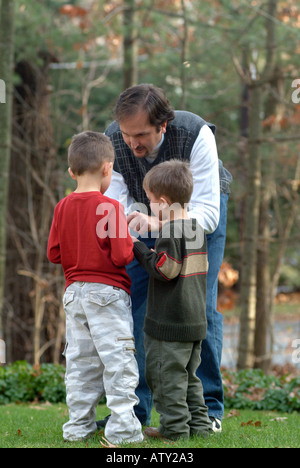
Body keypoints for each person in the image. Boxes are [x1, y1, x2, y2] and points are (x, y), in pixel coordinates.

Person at [101, 84, 232, 431]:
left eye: (140, 134)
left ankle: (209, 411)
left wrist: (158, 222)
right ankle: (135, 411)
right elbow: (116, 205)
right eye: (127, 135)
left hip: (199, 218)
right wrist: (136, 228)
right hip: (142, 214)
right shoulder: (113, 139)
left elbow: (206, 213)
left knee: (198, 305)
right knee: (137, 305)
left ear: (163, 125)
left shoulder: (195, 133)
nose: (132, 143)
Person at [47, 131, 143, 445]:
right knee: (119, 361)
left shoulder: (62, 207)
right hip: (108, 294)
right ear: (107, 169)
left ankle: (78, 428)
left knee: (80, 362)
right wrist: (128, 240)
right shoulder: (112, 208)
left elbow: (54, 253)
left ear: (71, 172)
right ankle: (123, 430)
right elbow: (121, 255)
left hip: (74, 294)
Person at [132, 159, 213, 440]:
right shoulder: (196, 229)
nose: (150, 207)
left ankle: (174, 430)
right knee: (190, 378)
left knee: (166, 379)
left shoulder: (170, 232)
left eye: (151, 201)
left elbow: (166, 270)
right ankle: (200, 428)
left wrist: (140, 249)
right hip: (193, 320)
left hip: (170, 323)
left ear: (164, 202)